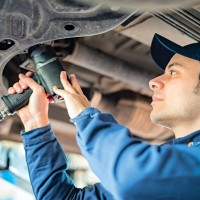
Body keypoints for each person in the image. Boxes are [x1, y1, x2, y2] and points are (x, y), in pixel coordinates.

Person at [8, 33, 200, 200]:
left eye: (173, 72)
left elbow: (132, 178)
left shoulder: (157, 172)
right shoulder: (173, 164)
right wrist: (35, 124)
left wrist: (85, 116)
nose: (153, 81)